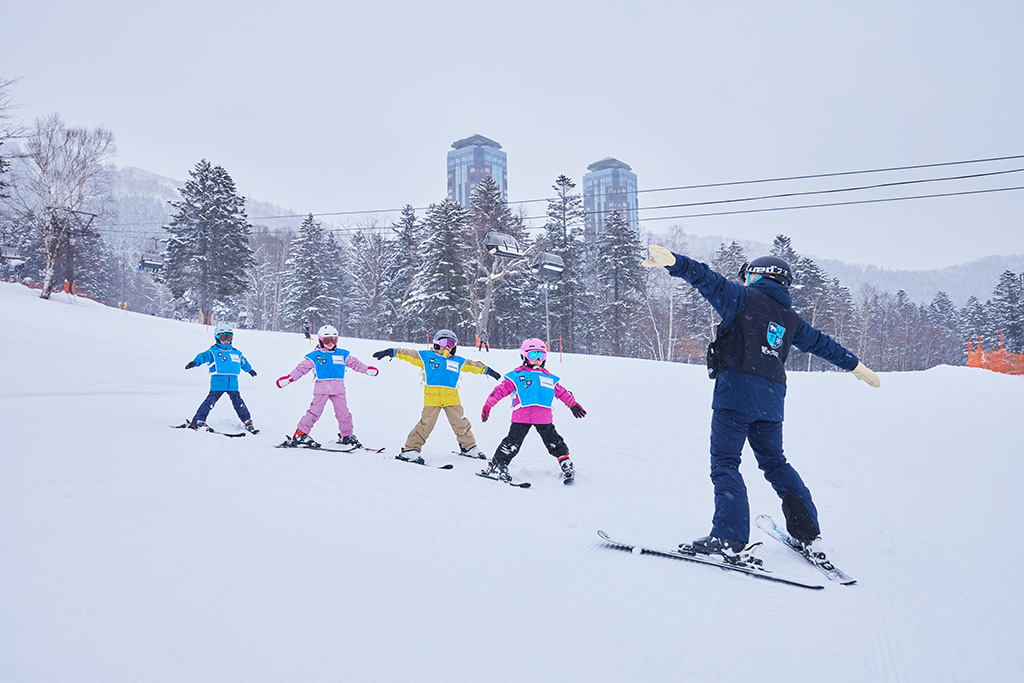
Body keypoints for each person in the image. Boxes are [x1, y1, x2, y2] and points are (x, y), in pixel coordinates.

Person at [641, 245, 881, 561]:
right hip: (771, 402)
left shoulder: (742, 298)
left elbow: (707, 280)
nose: (744, 280)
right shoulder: (791, 319)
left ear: (758, 276)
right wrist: (855, 364)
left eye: (747, 275)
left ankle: (729, 537)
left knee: (726, 462)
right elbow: (823, 344)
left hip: (736, 396)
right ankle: (808, 533)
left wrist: (676, 263)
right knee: (775, 462)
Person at [373, 329, 501, 464]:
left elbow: (472, 365)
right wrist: (392, 352)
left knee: (460, 423)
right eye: (444, 342)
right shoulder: (427, 357)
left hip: (452, 398)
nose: (448, 346)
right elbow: (409, 354)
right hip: (432, 398)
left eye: (451, 343)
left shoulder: (457, 361)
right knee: (426, 424)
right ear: (436, 343)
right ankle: (410, 450)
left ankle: (468, 447)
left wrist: (488, 371)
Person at [479, 338, 586, 483]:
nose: (537, 359)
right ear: (523, 356)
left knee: (554, 441)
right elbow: (500, 391)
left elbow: (562, 392)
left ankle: (565, 462)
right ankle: (497, 465)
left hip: (543, 417)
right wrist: (488, 404)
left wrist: (572, 404)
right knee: (511, 443)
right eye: (533, 355)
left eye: (541, 355)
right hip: (521, 417)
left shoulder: (549, 378)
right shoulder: (516, 376)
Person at [276, 325, 378, 449]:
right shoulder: (314, 356)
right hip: (321, 389)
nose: (330, 343)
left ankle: (346, 435)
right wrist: (289, 378)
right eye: (327, 340)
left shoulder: (343, 354)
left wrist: (366, 369)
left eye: (334, 340)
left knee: (344, 413)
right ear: (320, 340)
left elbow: (355, 364)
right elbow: (301, 369)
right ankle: (300, 433)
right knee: (314, 412)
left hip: (338, 389)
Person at [184, 324, 259, 433]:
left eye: (230, 337)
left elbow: (244, 362)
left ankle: (247, 420)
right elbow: (203, 356)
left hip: (233, 383)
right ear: (217, 338)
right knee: (209, 402)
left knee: (238, 403)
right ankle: (198, 420)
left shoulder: (236, 353)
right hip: (218, 382)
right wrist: (195, 362)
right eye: (224, 337)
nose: (227, 340)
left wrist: (249, 370)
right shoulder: (213, 351)